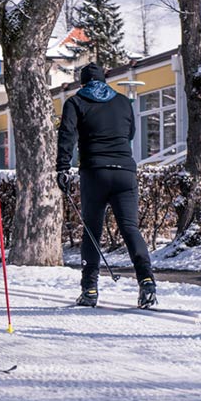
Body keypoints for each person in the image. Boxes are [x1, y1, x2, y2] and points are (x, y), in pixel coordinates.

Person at [55, 62, 157, 309]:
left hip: (95, 172)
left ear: (82, 83)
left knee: (92, 231)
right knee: (130, 228)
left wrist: (62, 168)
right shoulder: (122, 102)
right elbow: (130, 132)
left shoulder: (75, 102)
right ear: (104, 80)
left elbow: (67, 134)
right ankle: (147, 282)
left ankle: (89, 289)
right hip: (124, 170)